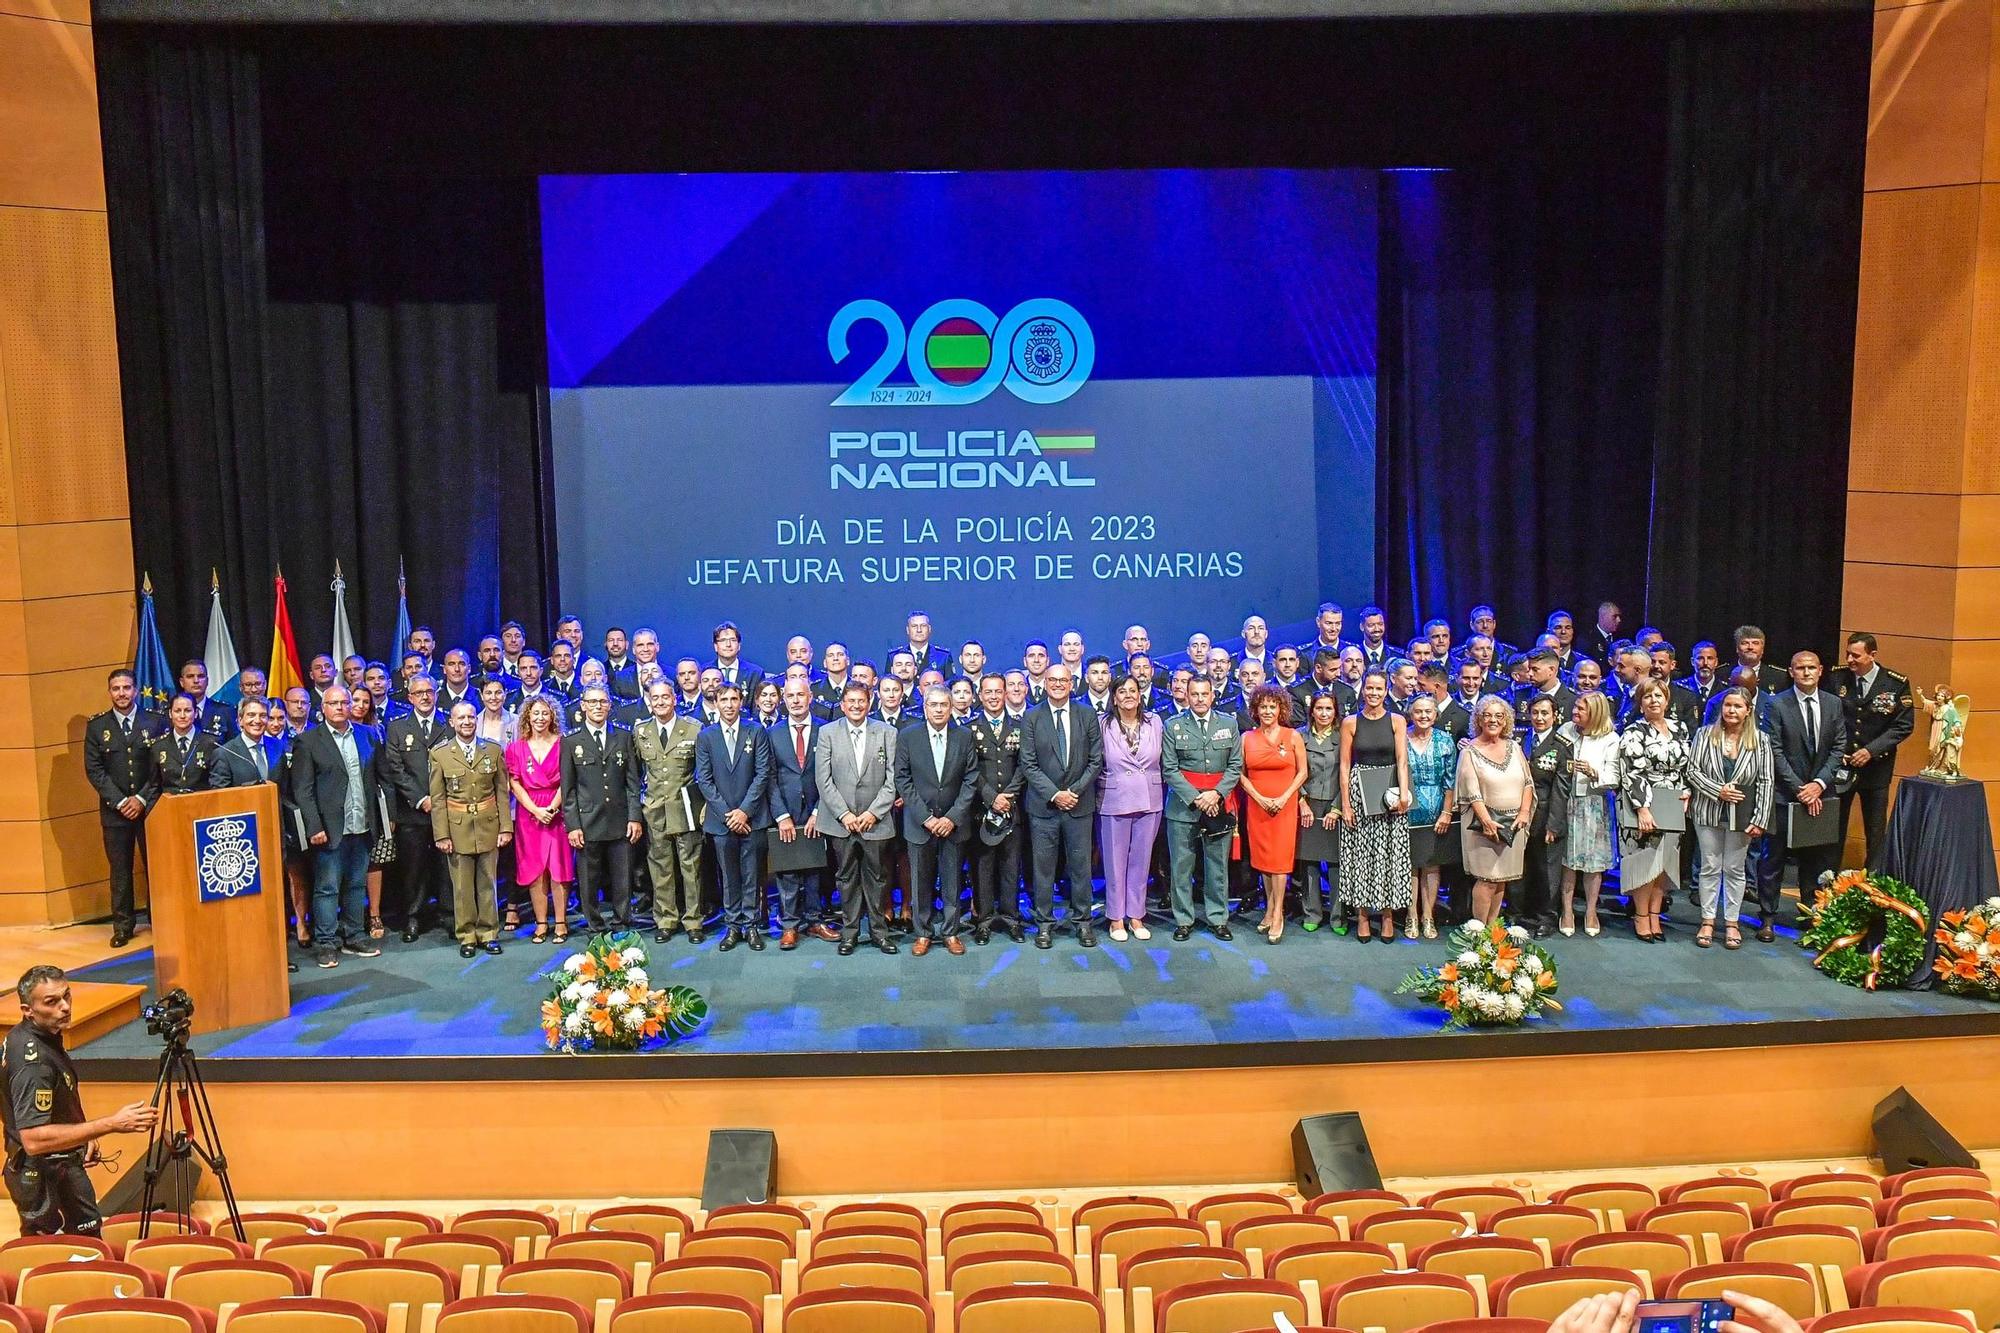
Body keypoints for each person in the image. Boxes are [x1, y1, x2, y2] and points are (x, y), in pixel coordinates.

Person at [2, 967, 158, 1236]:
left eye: (66, 996)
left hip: (57, 1164)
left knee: (84, 1244)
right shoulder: (34, 1065)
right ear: (28, 1009)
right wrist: (110, 1123)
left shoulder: (29, 1037)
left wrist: (80, 1135)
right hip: (44, 1177)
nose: (65, 1007)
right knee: (71, 1255)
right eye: (51, 1002)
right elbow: (34, 1139)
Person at [290, 685, 384, 968]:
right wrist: (313, 826)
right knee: (327, 887)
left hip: (362, 825)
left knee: (356, 885)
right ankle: (327, 942)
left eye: (345, 702)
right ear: (323, 708)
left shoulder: (368, 735)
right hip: (329, 829)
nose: (341, 707)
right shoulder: (308, 742)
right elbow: (303, 790)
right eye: (334, 703)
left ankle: (354, 935)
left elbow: (379, 778)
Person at [1757, 650, 1847, 941]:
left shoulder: (1833, 704)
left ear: (1821, 671)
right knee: (1774, 859)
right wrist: (1800, 788)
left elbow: (1838, 747)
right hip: (1786, 794)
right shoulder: (1777, 704)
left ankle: (1811, 913)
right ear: (1791, 671)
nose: (1806, 672)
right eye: (1800, 668)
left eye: (1811, 668)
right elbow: (1774, 750)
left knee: (1816, 860)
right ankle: (1768, 917)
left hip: (1820, 794)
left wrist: (1818, 784)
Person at [1019, 663, 1106, 948]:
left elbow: (1096, 760)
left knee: (1080, 868)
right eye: (1052, 680)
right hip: (1044, 807)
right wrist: (1055, 794)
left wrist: (1074, 791)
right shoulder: (1032, 717)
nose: (1058, 684)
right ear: (1045, 683)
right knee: (1043, 869)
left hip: (1079, 806)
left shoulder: (1087, 714)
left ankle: (1082, 922)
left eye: (1063, 680)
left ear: (1072, 684)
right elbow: (1028, 764)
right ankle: (1044, 923)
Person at [1685, 686, 1773, 951]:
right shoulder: (1704, 734)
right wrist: (1718, 791)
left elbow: (1766, 781)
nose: (1732, 711)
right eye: (1728, 706)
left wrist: (1761, 817)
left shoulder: (1761, 740)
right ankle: (1708, 921)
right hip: (1708, 810)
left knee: (1735, 869)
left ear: (1748, 711)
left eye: (1738, 706)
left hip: (1742, 815)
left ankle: (1732, 922)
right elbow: (1692, 770)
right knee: (1710, 866)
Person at [817, 681, 901, 955]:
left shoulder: (887, 732)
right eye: (850, 701)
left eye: (861, 701)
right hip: (841, 824)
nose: (855, 706)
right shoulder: (828, 732)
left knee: (877, 878)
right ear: (842, 704)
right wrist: (844, 814)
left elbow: (893, 779)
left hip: (874, 822)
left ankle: (879, 933)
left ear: (870, 703)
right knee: (846, 878)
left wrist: (871, 814)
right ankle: (849, 933)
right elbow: (823, 779)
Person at [84, 669, 165, 948]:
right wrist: (120, 802)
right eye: (116, 688)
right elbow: (94, 771)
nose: (122, 693)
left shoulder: (155, 722)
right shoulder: (97, 727)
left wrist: (141, 799)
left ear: (135, 689)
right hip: (114, 812)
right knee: (120, 870)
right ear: (109, 692)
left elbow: (160, 767)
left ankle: (162, 921)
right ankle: (123, 926)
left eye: (127, 687)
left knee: (157, 869)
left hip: (150, 809)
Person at [895, 686, 978, 956]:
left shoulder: (964, 736)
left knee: (953, 881)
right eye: (934, 705)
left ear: (951, 707)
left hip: (954, 824)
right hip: (920, 824)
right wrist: (926, 818)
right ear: (925, 707)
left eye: (944, 705)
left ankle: (951, 931)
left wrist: (952, 817)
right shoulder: (908, 736)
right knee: (920, 881)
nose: (939, 710)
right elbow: (902, 780)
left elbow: (970, 780)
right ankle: (923, 933)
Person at [1161, 677, 1243, 942]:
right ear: (1186, 694)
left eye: (1204, 694)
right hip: (1184, 807)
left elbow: (1235, 765)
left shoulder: (1229, 724)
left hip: (1218, 804)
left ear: (1212, 696)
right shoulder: (1172, 726)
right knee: (1181, 866)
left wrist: (1217, 794)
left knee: (1217, 866)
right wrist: (1197, 799)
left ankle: (1218, 918)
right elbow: (1169, 769)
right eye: (1194, 694)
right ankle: (1184, 919)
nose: (1199, 699)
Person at [430, 701, 511, 957]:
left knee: (488, 883)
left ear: (476, 721)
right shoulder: (440, 753)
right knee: (463, 887)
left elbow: (502, 792)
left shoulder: (493, 750)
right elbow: (438, 798)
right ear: (452, 722)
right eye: (460, 718)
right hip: (457, 828)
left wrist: (505, 828)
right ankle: (466, 936)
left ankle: (488, 933)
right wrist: (441, 835)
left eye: (470, 717)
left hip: (488, 825)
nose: (466, 722)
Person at [697, 683, 773, 951]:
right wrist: (728, 815)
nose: (729, 704)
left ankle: (751, 925)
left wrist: (744, 812)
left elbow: (763, 774)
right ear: (716, 703)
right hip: (721, 821)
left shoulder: (756, 731)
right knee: (729, 877)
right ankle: (732, 926)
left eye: (733, 699)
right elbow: (703, 779)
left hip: (752, 818)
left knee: (752, 874)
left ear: (741, 701)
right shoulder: (706, 736)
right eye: (723, 700)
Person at [1828, 631, 1913, 870]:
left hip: (1876, 768)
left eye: (1856, 655)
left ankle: (1873, 881)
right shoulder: (1838, 678)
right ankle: (1829, 879)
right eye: (1848, 654)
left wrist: (1871, 750)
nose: (1850, 660)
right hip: (1842, 766)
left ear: (1872, 655)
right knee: (1834, 827)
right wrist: (1838, 749)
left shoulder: (1894, 683)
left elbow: (1903, 726)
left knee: (1875, 830)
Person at [563, 685, 643, 936]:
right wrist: (573, 825)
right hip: (588, 822)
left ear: (610, 705)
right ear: (583, 706)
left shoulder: (622, 736)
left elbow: (632, 783)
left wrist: (634, 817)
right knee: (589, 879)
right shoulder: (571, 741)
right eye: (592, 702)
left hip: (619, 819)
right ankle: (595, 925)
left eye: (603, 702)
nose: (598, 706)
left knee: (622, 878)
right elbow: (569, 790)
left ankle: (622, 923)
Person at [1340, 669, 1412, 940]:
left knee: (1388, 855)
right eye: (1369, 688)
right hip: (1360, 790)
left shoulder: (1397, 720)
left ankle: (1387, 915)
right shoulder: (1350, 722)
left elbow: (1402, 760)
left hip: (1390, 790)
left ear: (1386, 691)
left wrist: (1404, 793)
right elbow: (1345, 765)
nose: (1373, 693)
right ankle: (1362, 915)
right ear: (1363, 690)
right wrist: (1346, 804)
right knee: (1360, 855)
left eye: (1378, 689)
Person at [633, 681, 708, 943]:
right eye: (656, 698)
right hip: (654, 810)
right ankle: (665, 919)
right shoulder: (641, 731)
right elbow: (637, 772)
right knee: (660, 867)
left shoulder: (694, 728)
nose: (661, 702)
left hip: (685, 809)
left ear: (675, 699)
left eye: (666, 696)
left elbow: (704, 771)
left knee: (691, 867)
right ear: (649, 701)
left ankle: (694, 921)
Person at [1618, 678, 1690, 943]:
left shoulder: (1679, 728)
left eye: (1658, 695)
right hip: (1644, 804)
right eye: (1648, 696)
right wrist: (1642, 809)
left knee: (1664, 865)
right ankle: (1640, 917)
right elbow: (1631, 773)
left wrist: (1687, 792)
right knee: (1645, 863)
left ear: (1667, 699)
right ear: (1640, 702)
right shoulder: (1634, 731)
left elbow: (1685, 766)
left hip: (1673, 804)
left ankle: (1655, 915)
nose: (1654, 700)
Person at [378, 676, 450, 942]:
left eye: (429, 691)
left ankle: (449, 915)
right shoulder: (397, 727)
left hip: (447, 809)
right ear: (409, 697)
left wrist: (439, 799)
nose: (424, 697)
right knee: (413, 868)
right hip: (413, 812)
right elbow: (394, 768)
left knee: (447, 867)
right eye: (418, 693)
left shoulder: (449, 723)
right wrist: (421, 799)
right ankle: (413, 918)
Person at [767, 677, 834, 950]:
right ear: (784, 698)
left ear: (810, 697)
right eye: (791, 696)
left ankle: (815, 921)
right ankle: (790, 925)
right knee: (788, 871)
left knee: (815, 868)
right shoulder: (772, 734)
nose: (796, 700)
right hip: (786, 810)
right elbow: (769, 778)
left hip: (818, 809)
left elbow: (831, 774)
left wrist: (820, 810)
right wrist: (781, 814)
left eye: (801, 695)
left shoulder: (826, 731)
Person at [1457, 697, 1534, 927]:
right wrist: (1487, 821)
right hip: (1483, 826)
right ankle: (1478, 932)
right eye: (1488, 715)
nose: (1493, 720)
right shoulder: (1469, 751)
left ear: (1506, 720)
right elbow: (1471, 793)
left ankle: (1492, 930)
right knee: (1487, 879)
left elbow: (1528, 783)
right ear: (1479, 719)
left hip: (1515, 824)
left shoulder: (1514, 747)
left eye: (1499, 716)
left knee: (1501, 881)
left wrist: (1523, 813)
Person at [1098, 675, 1164, 942]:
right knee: (1115, 863)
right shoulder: (1102, 724)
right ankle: (1116, 918)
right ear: (1114, 697)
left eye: (1132, 691)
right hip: (1114, 798)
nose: (1128, 695)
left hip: (1149, 798)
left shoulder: (1155, 722)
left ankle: (1136, 915)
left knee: (1141, 860)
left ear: (1140, 695)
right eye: (1121, 691)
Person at [1239, 685, 1307, 944]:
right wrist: (1259, 798)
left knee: (1279, 863)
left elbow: (1302, 772)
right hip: (1257, 807)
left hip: (1284, 806)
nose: (1268, 711)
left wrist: (1284, 797)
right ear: (1255, 710)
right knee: (1264, 862)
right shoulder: (1247, 738)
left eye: (1272, 706)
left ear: (1281, 709)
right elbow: (1240, 774)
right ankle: (1269, 908)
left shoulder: (1292, 736)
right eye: (1263, 707)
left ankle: (1278, 912)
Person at [506, 696, 574, 944]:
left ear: (553, 716)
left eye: (545, 713)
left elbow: (568, 779)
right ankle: (541, 922)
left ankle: (561, 922)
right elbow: (514, 782)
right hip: (529, 814)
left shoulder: (564, 744)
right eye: (535, 713)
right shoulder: (516, 748)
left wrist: (552, 808)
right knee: (535, 870)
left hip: (558, 812)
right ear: (527, 716)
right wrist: (535, 810)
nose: (540, 718)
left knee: (558, 869)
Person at [967, 675, 1027, 945]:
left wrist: (1008, 796)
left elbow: (1025, 765)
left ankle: (1012, 918)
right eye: (987, 692)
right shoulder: (969, 729)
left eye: (998, 691)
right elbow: (969, 770)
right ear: (979, 695)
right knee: (983, 867)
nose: (993, 696)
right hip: (981, 811)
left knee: (1011, 864)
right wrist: (992, 797)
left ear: (1005, 694)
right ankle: (984, 920)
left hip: (1012, 809)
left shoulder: (1020, 726)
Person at [1558, 692, 1620, 937]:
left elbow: (1614, 777)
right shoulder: (1565, 730)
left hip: (1595, 804)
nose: (1575, 711)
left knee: (1593, 864)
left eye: (1581, 709)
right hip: (1566, 802)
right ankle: (1567, 911)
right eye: (1575, 706)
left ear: (1595, 712)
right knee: (1568, 860)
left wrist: (1595, 774)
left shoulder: (1610, 738)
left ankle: (1591, 911)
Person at [1403, 694, 1456, 939]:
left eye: (1428, 712)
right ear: (1410, 713)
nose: (1423, 716)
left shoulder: (1445, 741)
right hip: (1408, 808)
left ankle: (1428, 916)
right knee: (1411, 864)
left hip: (1437, 809)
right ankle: (1411, 915)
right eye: (1418, 711)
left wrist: (1446, 812)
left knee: (1432, 864)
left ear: (1436, 714)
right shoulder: (1401, 737)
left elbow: (1450, 782)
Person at [347, 686, 393, 939]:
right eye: (356, 699)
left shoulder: (375, 733)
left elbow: (385, 775)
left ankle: (374, 914)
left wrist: (390, 815)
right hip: (344, 811)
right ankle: (351, 917)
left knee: (375, 862)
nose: (361, 705)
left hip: (373, 808)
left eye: (366, 701)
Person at [1295, 692, 1342, 934]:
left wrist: (1338, 808)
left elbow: (1347, 775)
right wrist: (1301, 802)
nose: (1324, 713)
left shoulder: (1343, 737)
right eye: (1319, 708)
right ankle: (1312, 912)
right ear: (1312, 710)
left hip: (1335, 804)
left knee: (1336, 864)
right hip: (1307, 803)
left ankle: (1337, 917)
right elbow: (1293, 772)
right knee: (1309, 862)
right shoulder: (1299, 737)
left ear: (1335, 712)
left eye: (1329, 709)